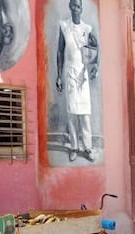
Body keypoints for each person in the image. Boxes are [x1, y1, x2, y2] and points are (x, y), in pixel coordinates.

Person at [56, 0, 99, 162]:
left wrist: (96, 67)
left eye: (78, 6)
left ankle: (87, 148)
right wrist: (59, 75)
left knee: (85, 114)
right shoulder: (64, 27)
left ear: (81, 9)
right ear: (70, 7)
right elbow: (60, 52)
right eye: (73, 5)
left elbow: (96, 48)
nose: (75, 9)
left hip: (83, 75)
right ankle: (74, 147)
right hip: (70, 74)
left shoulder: (86, 29)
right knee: (72, 113)